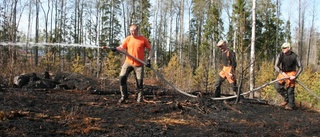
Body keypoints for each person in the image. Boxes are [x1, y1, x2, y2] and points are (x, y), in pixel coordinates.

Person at [115, 24, 153, 104]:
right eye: (131, 31)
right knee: (122, 78)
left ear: (137, 30)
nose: (132, 33)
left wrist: (149, 60)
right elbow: (121, 47)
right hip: (128, 62)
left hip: (139, 64)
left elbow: (151, 49)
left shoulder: (143, 39)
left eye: (133, 31)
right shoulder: (128, 39)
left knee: (139, 82)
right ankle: (124, 96)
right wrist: (115, 49)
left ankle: (139, 98)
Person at [275, 42, 303, 110]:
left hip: (292, 73)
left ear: (289, 48)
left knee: (290, 90)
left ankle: (291, 105)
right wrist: (282, 73)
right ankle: (286, 98)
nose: (283, 49)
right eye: (282, 48)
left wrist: (295, 76)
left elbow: (301, 67)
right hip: (283, 72)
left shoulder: (295, 56)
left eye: (284, 48)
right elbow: (276, 66)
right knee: (277, 86)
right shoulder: (280, 55)